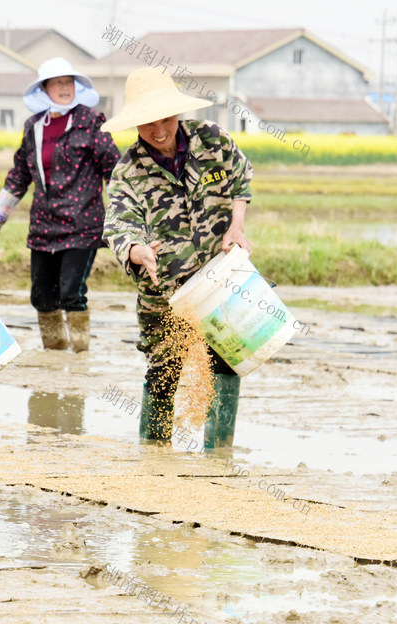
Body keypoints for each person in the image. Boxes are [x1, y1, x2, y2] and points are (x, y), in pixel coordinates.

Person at [101, 67, 254, 449]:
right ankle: (154, 460)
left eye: (165, 119)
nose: (158, 131)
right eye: (147, 123)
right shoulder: (128, 171)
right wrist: (137, 251)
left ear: (177, 114)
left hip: (220, 280)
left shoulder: (212, 140)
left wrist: (236, 226)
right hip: (165, 294)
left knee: (226, 362)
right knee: (164, 372)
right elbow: (119, 225)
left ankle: (219, 458)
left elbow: (241, 179)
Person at [0, 57, 120, 353]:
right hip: (44, 225)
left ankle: (81, 358)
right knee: (42, 296)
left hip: (83, 225)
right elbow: (19, 175)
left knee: (71, 294)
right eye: (57, 82)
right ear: (44, 89)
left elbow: (114, 171)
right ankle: (54, 358)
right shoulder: (33, 127)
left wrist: (122, 220)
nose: (64, 87)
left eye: (68, 82)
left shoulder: (91, 122)